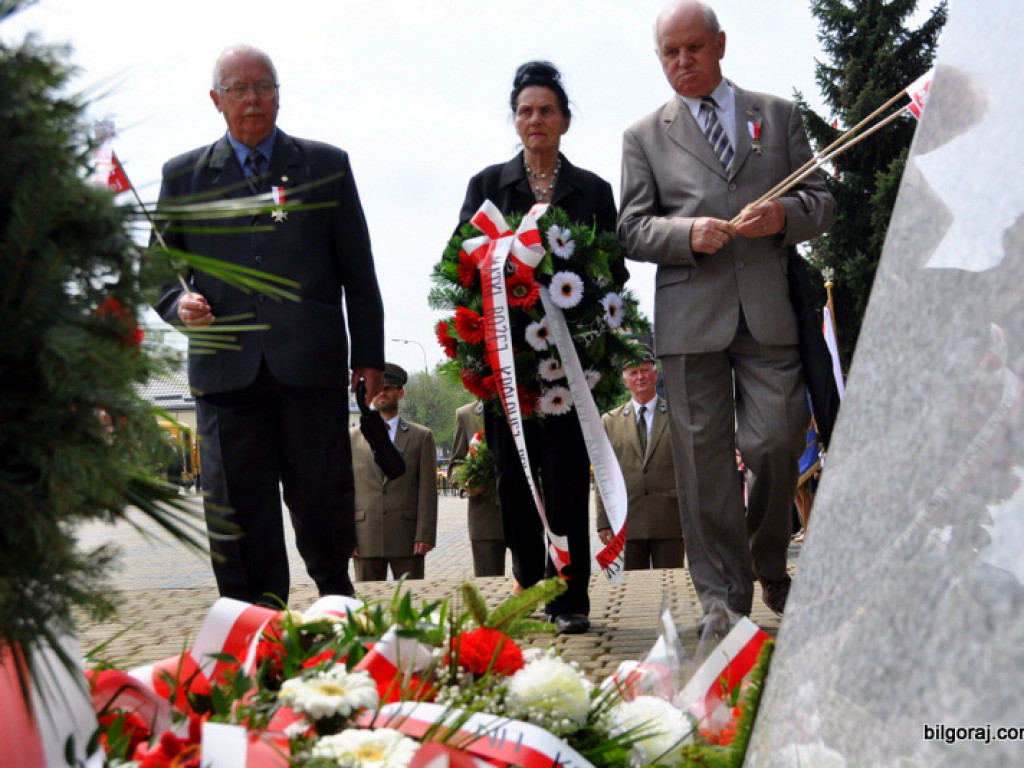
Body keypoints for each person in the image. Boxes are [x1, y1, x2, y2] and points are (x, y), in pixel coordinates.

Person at [618, 2, 835, 624]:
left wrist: (785, 217)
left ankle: (768, 560)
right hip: (690, 320)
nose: (682, 61)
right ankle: (722, 600)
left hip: (769, 315)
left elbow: (822, 200)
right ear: (660, 58)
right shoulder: (643, 136)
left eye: (693, 48)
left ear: (720, 44)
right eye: (670, 53)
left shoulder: (780, 115)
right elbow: (631, 230)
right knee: (704, 467)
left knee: (775, 443)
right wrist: (687, 234)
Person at [153, 45, 385, 606]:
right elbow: (159, 274)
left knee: (322, 496)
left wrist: (369, 358)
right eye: (238, 88)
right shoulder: (183, 176)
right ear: (216, 100)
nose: (252, 99)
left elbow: (359, 269)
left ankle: (336, 603)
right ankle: (254, 623)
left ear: (280, 94)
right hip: (225, 374)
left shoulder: (326, 165)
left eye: (263, 86)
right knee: (237, 509)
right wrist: (177, 307)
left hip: (309, 366)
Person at [455, 61, 626, 635]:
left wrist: (570, 301)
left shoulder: (593, 191)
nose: (536, 120)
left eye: (547, 110)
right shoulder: (488, 186)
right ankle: (529, 587)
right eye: (526, 110)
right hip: (508, 363)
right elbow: (461, 265)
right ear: (515, 118)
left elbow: (614, 274)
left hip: (569, 365)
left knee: (566, 476)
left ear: (565, 121)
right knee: (515, 477)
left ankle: (572, 599)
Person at [595, 347, 685, 570]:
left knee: (671, 584)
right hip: (628, 520)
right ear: (625, 381)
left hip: (671, 519)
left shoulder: (678, 414)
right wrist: (603, 522)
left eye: (645, 370)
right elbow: (603, 474)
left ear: (656, 375)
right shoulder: (609, 421)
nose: (640, 377)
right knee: (634, 586)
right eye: (633, 373)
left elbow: (691, 467)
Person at [350, 363, 438, 581]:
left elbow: (427, 490)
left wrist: (425, 534)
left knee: (413, 603)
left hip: (407, 538)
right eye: (377, 388)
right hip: (365, 536)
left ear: (400, 392)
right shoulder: (351, 438)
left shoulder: (421, 436)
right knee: (368, 607)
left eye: (389, 388)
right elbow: (344, 489)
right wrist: (346, 536)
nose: (382, 393)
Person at [450, 400, 507, 577]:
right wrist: (466, 480)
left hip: (524, 511)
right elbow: (456, 463)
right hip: (484, 515)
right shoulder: (465, 414)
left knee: (531, 585)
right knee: (486, 584)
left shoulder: (525, 407)